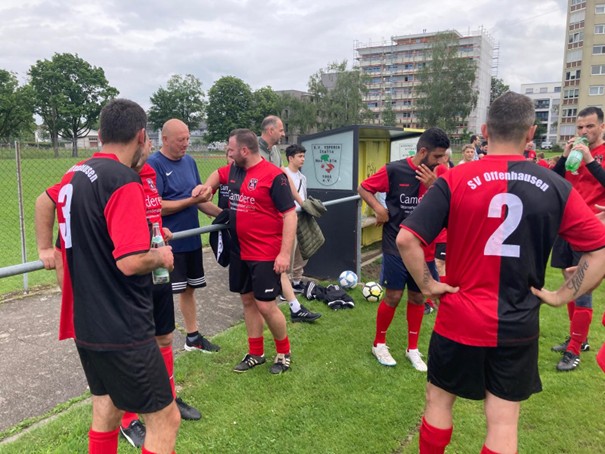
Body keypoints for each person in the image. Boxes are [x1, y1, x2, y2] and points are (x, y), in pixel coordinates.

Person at [396, 92, 605, 454]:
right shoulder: (555, 185)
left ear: (484, 130)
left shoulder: (455, 179)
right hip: (518, 323)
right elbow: (599, 249)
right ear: (531, 133)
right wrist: (561, 296)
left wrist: (428, 285)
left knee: (439, 401)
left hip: (460, 317)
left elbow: (406, 239)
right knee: (503, 420)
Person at [36, 133, 203, 449]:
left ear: (102, 136)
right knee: (165, 419)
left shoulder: (76, 173)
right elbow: (130, 262)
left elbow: (98, 235)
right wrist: (161, 256)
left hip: (87, 319)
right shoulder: (121, 178)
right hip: (121, 322)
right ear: (141, 136)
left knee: (106, 409)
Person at [358, 127, 449, 371]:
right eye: (437, 156)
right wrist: (378, 208)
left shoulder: (441, 175)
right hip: (395, 244)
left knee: (418, 297)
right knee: (394, 296)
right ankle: (379, 344)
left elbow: (450, 204)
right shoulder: (395, 170)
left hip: (424, 247)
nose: (441, 161)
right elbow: (364, 187)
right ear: (423, 151)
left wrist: (435, 186)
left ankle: (413, 349)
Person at [205, 128, 296, 374]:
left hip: (265, 252)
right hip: (239, 250)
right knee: (247, 300)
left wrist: (284, 254)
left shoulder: (274, 176)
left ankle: (284, 352)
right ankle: (256, 353)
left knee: (265, 305)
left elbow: (290, 215)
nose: (228, 153)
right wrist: (206, 187)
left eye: (231, 149)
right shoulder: (234, 170)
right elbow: (218, 174)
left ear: (244, 150)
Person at [148, 119, 222, 353]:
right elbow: (157, 206)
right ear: (165, 139)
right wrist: (191, 200)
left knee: (189, 289)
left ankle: (193, 337)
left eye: (188, 138)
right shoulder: (154, 164)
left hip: (191, 239)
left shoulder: (189, 162)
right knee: (162, 293)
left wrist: (224, 215)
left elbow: (199, 201)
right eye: (181, 140)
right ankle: (154, 343)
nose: (186, 143)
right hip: (168, 244)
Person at [549, 106, 605, 371]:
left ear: (602, 127)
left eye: (589, 126)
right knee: (570, 283)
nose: (584, 131)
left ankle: (574, 350)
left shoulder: (599, 155)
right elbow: (551, 181)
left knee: (583, 288)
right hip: (567, 226)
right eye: (580, 127)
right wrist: (564, 156)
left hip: (592, 230)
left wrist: (591, 160)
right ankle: (577, 338)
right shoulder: (574, 154)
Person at [258, 115, 320, 323]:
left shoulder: (275, 152)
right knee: (275, 263)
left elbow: (282, 180)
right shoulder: (254, 150)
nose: (283, 133)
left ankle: (293, 305)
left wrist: (302, 203)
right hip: (259, 217)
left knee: (282, 262)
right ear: (270, 130)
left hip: (276, 216)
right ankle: (290, 304)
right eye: (281, 130)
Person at [283, 144, 309, 294]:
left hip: (301, 216)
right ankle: (285, 285)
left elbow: (303, 196)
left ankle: (297, 280)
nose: (303, 159)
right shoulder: (283, 174)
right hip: (288, 217)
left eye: (304, 156)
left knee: (301, 250)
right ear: (290, 158)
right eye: (300, 156)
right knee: (289, 250)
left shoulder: (302, 177)